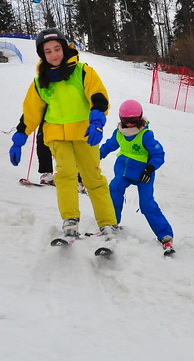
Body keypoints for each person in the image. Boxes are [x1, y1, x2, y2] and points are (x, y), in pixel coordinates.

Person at [8, 28, 117, 238]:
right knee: (65, 177)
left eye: (57, 48)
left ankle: (107, 223)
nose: (54, 54)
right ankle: (70, 219)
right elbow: (31, 113)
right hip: (57, 137)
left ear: (65, 48)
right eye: (48, 51)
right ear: (42, 55)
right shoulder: (40, 82)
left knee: (92, 178)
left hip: (86, 134)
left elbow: (99, 97)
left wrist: (96, 121)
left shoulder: (83, 71)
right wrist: (19, 138)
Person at [99, 99, 175, 252]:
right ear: (122, 119)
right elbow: (108, 146)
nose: (131, 125)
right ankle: (112, 222)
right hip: (124, 172)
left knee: (146, 204)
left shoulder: (145, 135)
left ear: (139, 118)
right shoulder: (119, 133)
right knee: (114, 187)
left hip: (143, 176)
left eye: (134, 121)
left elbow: (159, 154)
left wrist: (150, 168)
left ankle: (165, 235)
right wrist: (95, 156)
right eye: (127, 121)